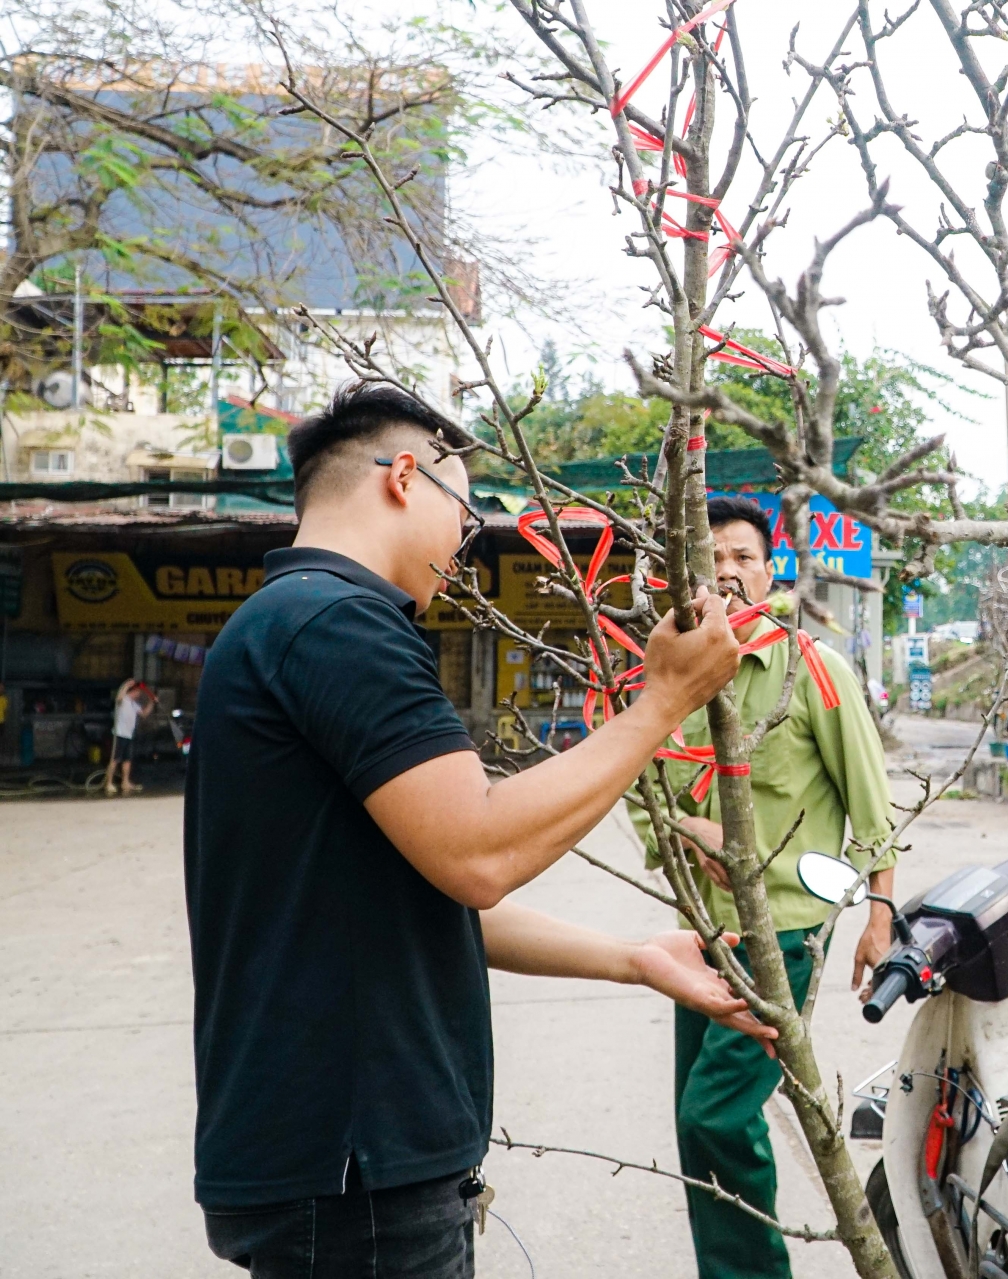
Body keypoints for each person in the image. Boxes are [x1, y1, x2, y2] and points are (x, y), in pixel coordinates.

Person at [185, 383, 759, 1279]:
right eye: (467, 505)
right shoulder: (338, 620)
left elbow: (429, 894)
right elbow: (480, 852)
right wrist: (662, 703)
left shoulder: (290, 621)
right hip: (358, 1166)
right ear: (403, 477)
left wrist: (630, 956)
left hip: (340, 1159)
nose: (468, 536)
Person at [640, 495, 895, 1279]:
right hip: (698, 935)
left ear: (770, 568)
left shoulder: (814, 667)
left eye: (742, 555)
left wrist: (879, 911)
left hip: (781, 931)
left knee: (716, 1111)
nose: (725, 569)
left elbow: (870, 803)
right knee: (698, 1125)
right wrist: (690, 831)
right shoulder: (668, 675)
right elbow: (639, 788)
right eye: (708, 556)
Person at [106, 677, 154, 795]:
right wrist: (126, 685)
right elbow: (118, 697)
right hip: (119, 734)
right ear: (134, 691)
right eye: (138, 692)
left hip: (128, 735)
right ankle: (108, 783)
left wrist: (151, 702)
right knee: (115, 759)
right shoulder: (124, 699)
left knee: (127, 760)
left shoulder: (133, 704)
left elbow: (144, 714)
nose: (139, 694)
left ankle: (125, 782)